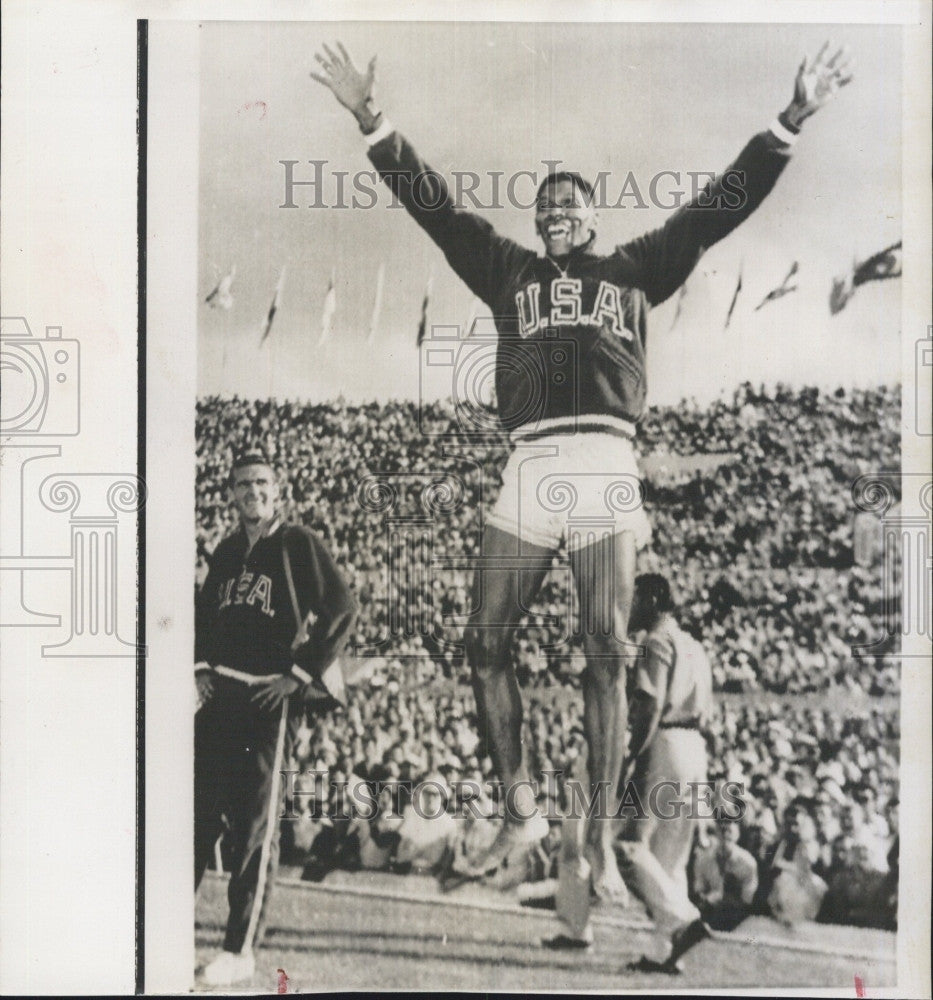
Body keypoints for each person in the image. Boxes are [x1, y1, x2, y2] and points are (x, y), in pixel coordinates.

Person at [310, 38, 853, 901]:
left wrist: (786, 121)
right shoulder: (509, 271)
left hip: (603, 461)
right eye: (546, 205)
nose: (557, 214)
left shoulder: (635, 267)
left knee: (603, 649)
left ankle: (594, 834)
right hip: (529, 463)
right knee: (482, 643)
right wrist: (374, 123)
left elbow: (718, 209)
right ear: (536, 221)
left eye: (570, 204)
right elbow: (437, 209)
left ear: (590, 217)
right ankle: (523, 810)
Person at [194, 450, 358, 986]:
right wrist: (200, 668)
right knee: (196, 820)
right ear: (231, 494)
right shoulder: (224, 551)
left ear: (277, 489)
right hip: (220, 697)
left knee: (253, 830)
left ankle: (239, 948)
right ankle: (168, 926)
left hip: (268, 703)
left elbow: (341, 608)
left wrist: (300, 673)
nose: (252, 492)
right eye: (242, 484)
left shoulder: (297, 543)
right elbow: (203, 615)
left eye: (261, 482)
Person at [617, 573, 715, 971]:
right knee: (670, 858)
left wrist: (631, 755)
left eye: (636, 596)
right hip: (695, 746)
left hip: (666, 742)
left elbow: (651, 706)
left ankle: (682, 917)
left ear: (656, 597)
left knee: (629, 847)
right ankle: (664, 954)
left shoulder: (656, 640)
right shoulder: (694, 644)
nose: (631, 605)